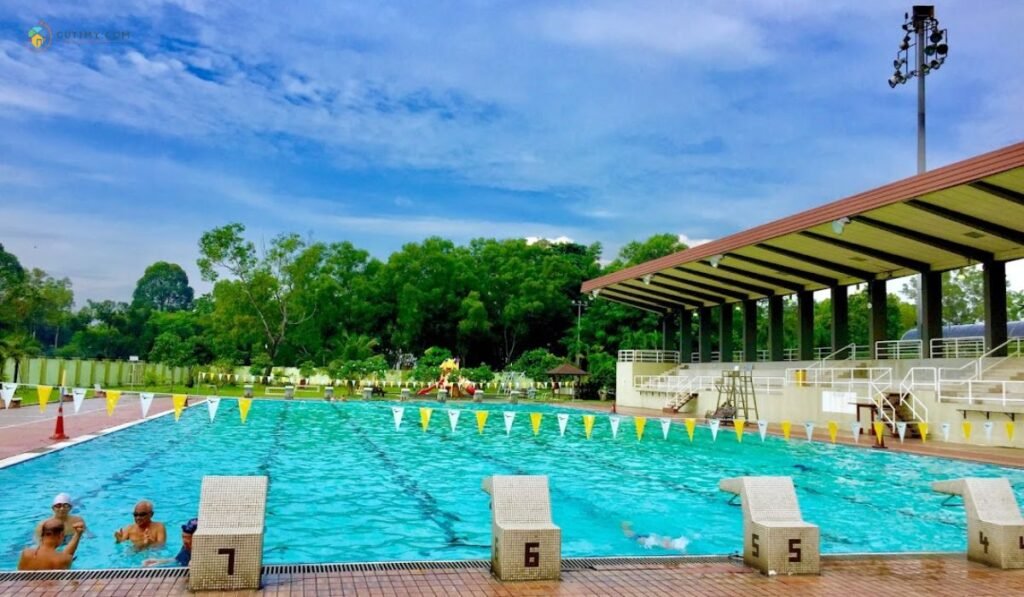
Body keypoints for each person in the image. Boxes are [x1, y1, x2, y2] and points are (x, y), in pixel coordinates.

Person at [18, 517, 85, 570]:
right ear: (61, 535)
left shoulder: (26, 553)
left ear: (42, 534)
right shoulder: (64, 559)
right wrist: (78, 535)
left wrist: (78, 534)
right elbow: (66, 556)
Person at [621, 521, 689, 551]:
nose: (666, 544)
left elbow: (684, 551)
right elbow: (666, 537)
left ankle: (626, 527)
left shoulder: (679, 545)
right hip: (650, 539)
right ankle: (624, 526)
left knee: (632, 536)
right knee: (631, 536)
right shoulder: (677, 543)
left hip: (651, 538)